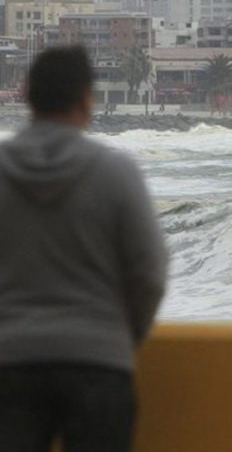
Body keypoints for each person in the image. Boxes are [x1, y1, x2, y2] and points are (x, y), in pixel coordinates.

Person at [0, 45, 168, 452]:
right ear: (86, 97)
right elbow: (149, 271)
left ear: (27, 96)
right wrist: (121, 337)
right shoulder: (115, 171)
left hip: (10, 362)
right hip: (99, 364)